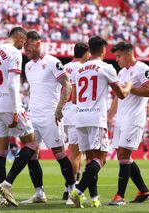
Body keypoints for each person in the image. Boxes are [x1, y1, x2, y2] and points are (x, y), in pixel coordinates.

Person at [69, 36, 132, 208]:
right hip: (96, 118)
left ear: (89, 50)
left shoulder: (79, 70)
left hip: (80, 118)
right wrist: (129, 85)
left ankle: (94, 198)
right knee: (101, 159)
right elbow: (122, 94)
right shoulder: (106, 68)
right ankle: (78, 191)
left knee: (90, 160)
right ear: (103, 50)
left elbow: (74, 99)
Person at [20, 31, 75, 204]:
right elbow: (33, 90)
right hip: (33, 114)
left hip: (50, 114)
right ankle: (39, 193)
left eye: (27, 45)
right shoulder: (28, 66)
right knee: (31, 153)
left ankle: (72, 190)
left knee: (59, 153)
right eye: (23, 46)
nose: (24, 49)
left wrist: (60, 107)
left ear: (37, 43)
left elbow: (67, 84)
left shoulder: (52, 62)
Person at [0, 27, 39, 207]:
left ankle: (3, 197)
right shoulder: (14, 53)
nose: (23, 47)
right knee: (32, 143)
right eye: (23, 42)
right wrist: (16, 110)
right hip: (9, 104)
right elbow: (11, 85)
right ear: (19, 37)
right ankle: (7, 184)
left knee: (0, 151)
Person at [108, 41, 149, 206]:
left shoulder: (143, 69)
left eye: (119, 56)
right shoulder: (121, 73)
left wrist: (130, 89)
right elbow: (117, 96)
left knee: (123, 155)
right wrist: (109, 116)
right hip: (120, 119)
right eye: (116, 56)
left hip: (134, 118)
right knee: (123, 156)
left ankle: (119, 196)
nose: (117, 59)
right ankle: (144, 191)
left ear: (129, 53)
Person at [62, 42, 90, 204]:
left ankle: (68, 188)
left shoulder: (64, 66)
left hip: (65, 113)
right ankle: (72, 190)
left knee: (74, 153)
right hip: (75, 113)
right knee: (76, 154)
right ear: (85, 53)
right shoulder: (82, 69)